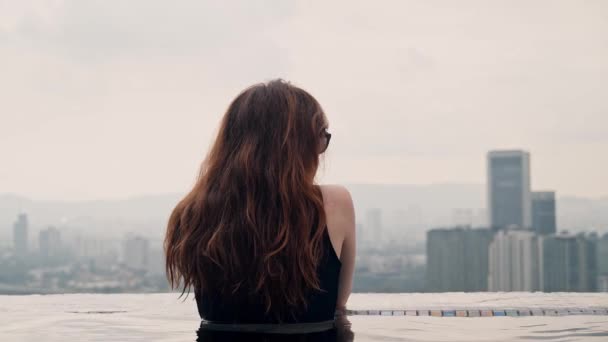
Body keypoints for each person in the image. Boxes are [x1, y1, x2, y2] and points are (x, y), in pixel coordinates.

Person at [164, 79, 356, 332]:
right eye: (321, 138)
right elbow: (338, 303)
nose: (321, 152)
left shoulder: (191, 211)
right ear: (300, 145)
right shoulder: (334, 203)